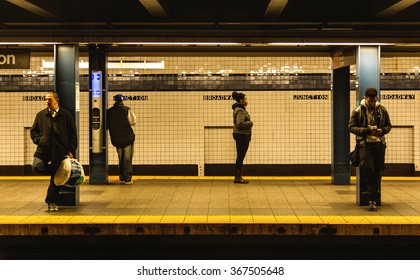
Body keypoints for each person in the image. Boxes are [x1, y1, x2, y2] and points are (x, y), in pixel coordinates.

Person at [30, 92, 78, 211]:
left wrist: (71, 150)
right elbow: (33, 131)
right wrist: (40, 141)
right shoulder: (41, 115)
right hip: (43, 149)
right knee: (36, 166)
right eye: (46, 99)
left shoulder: (66, 115)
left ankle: (51, 201)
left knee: (55, 180)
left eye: (49, 99)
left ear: (56, 100)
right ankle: (57, 172)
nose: (47, 101)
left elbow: (73, 134)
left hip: (60, 150)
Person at [348, 88, 392, 211]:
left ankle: (374, 197)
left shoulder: (382, 110)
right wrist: (366, 131)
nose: (372, 103)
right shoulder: (358, 111)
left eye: (374, 101)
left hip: (379, 145)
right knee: (369, 170)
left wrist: (382, 131)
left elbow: (388, 125)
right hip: (365, 145)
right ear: (365, 98)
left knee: (378, 171)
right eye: (370, 101)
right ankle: (372, 199)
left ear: (376, 99)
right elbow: (351, 127)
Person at [107, 94, 136, 184]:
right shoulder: (126, 109)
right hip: (127, 138)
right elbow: (133, 121)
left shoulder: (109, 112)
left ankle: (122, 177)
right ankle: (127, 178)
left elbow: (107, 125)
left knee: (121, 158)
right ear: (122, 101)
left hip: (116, 138)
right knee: (127, 158)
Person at [232, 91, 253, 184]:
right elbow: (240, 123)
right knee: (241, 156)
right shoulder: (240, 110)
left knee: (240, 155)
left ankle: (238, 176)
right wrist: (250, 123)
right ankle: (238, 177)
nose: (247, 101)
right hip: (241, 135)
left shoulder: (239, 109)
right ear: (241, 100)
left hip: (240, 134)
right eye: (245, 99)